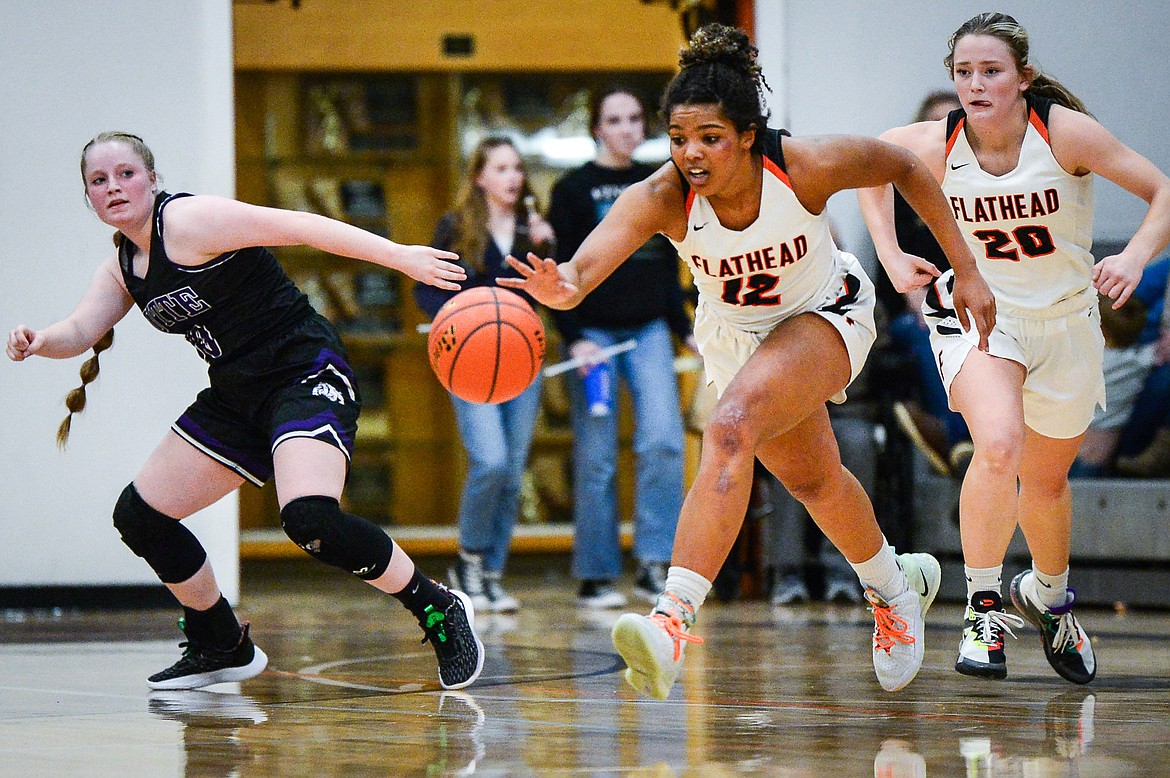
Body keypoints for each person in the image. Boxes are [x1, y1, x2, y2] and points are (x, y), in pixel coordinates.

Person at [502, 23, 996, 698]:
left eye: (708, 137)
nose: (691, 154)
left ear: (744, 134)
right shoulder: (661, 197)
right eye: (678, 139)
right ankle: (894, 588)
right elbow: (582, 270)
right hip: (740, 336)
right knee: (816, 482)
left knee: (729, 425)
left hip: (824, 312)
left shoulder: (802, 165)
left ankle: (671, 621)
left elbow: (905, 167)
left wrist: (964, 269)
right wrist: (564, 288)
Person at [6, 132, 484, 692]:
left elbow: (301, 226)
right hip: (237, 394)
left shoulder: (187, 221)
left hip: (302, 370)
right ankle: (221, 643)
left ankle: (438, 607)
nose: (114, 187)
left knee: (310, 519)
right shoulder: (122, 266)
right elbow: (83, 328)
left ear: (152, 179)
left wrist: (399, 257)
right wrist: (40, 340)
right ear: (87, 198)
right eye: (99, 180)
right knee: (141, 516)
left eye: (126, 173)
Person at [859, 12, 1170, 684]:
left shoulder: (1062, 134)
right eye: (964, 72)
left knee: (1047, 483)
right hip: (980, 316)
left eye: (990, 70)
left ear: (1023, 77)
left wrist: (1138, 256)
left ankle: (1051, 599)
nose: (975, 83)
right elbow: (872, 159)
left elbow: (1163, 191)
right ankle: (982, 607)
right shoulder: (940, 143)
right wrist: (889, 251)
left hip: (1064, 322)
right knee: (998, 444)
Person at [546, 85, 694, 609]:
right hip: (594, 339)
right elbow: (563, 271)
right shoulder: (571, 189)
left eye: (635, 118)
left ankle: (656, 563)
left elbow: (670, 264)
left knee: (663, 443)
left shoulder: (661, 182)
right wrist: (575, 336)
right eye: (614, 119)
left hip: (651, 329)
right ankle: (595, 573)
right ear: (596, 128)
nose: (627, 128)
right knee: (596, 456)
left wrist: (686, 328)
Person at [414, 136, 555, 614]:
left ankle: (492, 573)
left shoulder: (531, 231)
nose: (512, 176)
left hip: (523, 359)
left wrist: (550, 248)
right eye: (500, 168)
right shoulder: (456, 227)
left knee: (514, 472)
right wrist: (459, 315)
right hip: (471, 362)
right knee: (490, 461)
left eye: (517, 168)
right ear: (479, 177)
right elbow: (425, 290)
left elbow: (558, 292)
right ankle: (467, 562)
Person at [882, 91, 975, 479]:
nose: (944, 132)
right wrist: (926, 306)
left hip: (972, 305)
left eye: (952, 123)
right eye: (934, 124)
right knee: (931, 331)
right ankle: (961, 442)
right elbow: (899, 277)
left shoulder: (977, 187)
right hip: (915, 309)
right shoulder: (900, 194)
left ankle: (953, 436)